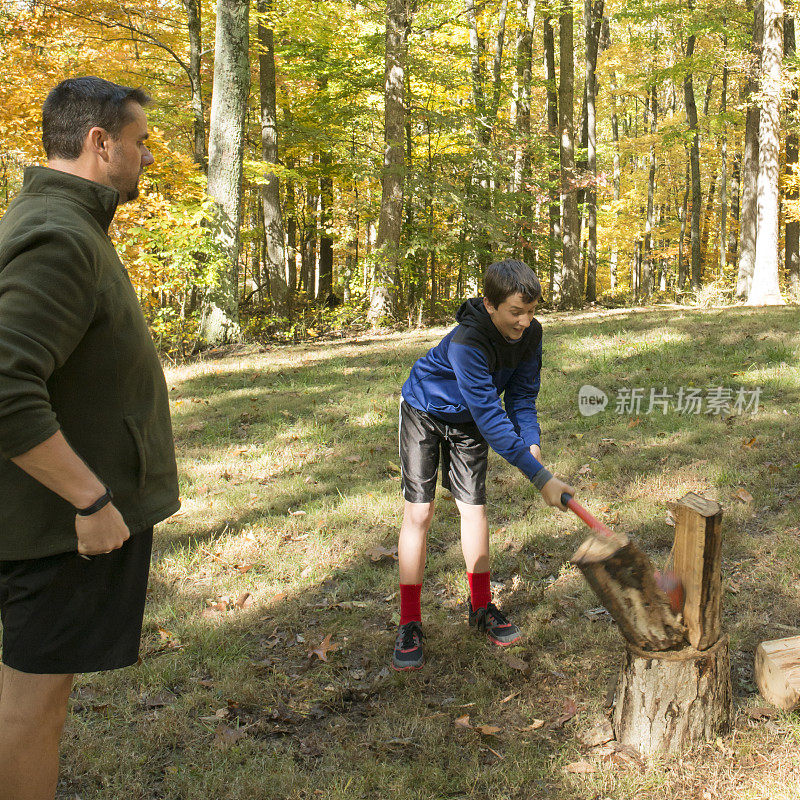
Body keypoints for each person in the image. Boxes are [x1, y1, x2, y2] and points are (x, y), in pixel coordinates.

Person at [0, 77, 180, 800]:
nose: (145, 158)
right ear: (99, 143)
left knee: (36, 700)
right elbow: (6, 384)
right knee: (31, 706)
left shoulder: (59, 221)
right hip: (55, 529)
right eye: (138, 142)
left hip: (50, 523)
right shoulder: (59, 236)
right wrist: (91, 497)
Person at [393, 259, 573, 671]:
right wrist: (540, 478)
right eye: (516, 311)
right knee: (419, 512)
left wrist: (531, 444)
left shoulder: (532, 334)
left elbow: (522, 399)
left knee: (473, 510)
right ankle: (409, 622)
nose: (526, 321)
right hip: (425, 409)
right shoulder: (467, 343)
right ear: (491, 305)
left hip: (470, 416)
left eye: (531, 311)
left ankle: (480, 607)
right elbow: (493, 419)